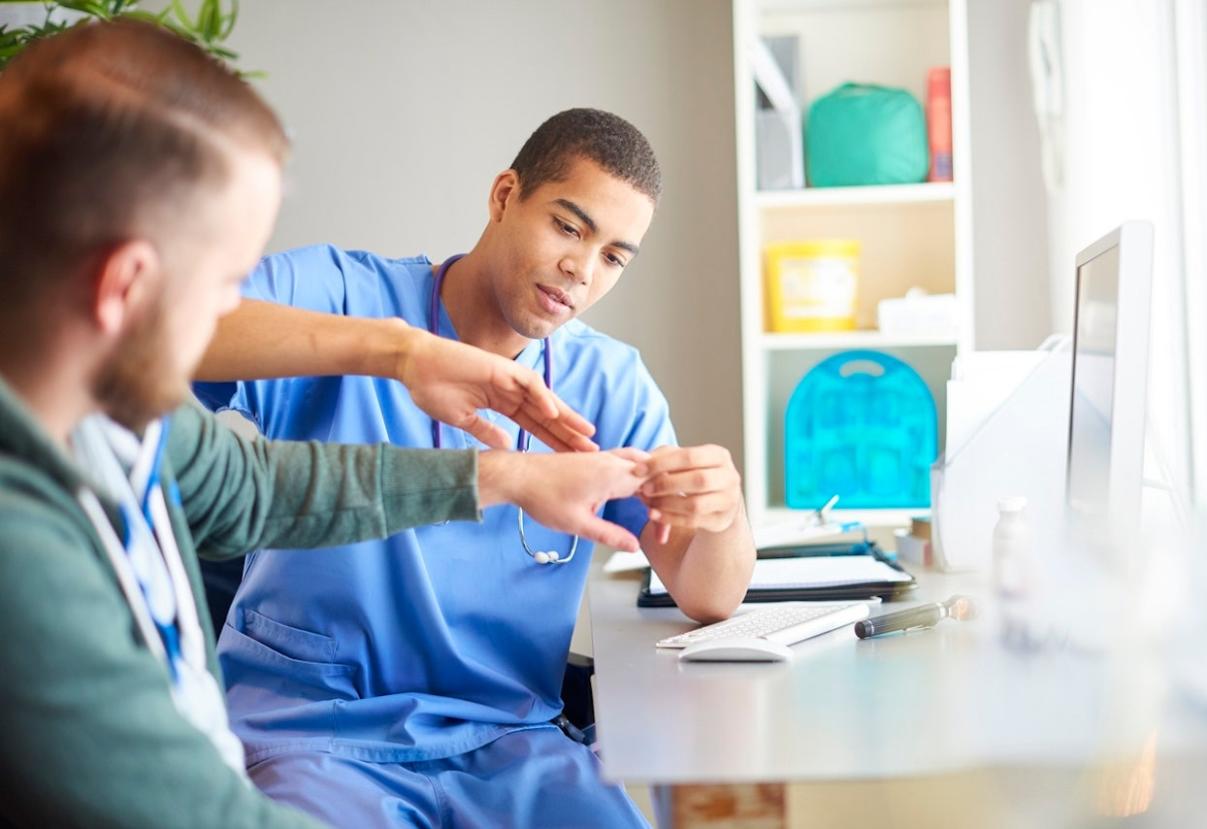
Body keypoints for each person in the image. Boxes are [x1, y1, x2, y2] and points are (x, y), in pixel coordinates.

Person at [0, 23, 655, 828]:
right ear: (126, 286)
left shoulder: (121, 428)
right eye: (228, 280)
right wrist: (396, 348)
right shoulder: (23, 554)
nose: (235, 314)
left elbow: (259, 487)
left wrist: (508, 477)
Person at [195, 108, 757, 827]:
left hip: (509, 743)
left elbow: (711, 593)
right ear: (503, 196)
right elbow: (167, 329)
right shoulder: (348, 298)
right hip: (314, 734)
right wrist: (397, 353)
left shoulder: (608, 382)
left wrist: (722, 507)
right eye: (568, 226)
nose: (581, 271)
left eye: (614, 256)